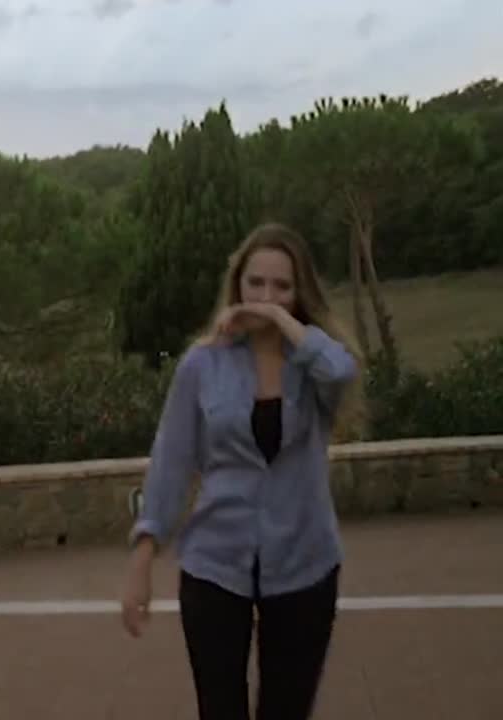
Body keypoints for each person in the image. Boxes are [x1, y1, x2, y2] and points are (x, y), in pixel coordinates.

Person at [119, 222, 365, 720]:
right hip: (215, 562)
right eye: (256, 283)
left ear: (300, 293)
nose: (266, 297)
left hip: (304, 562)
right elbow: (171, 461)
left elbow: (342, 369)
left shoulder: (313, 364)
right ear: (237, 284)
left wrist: (282, 322)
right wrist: (143, 556)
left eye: (282, 286)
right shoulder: (202, 364)